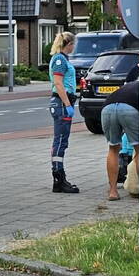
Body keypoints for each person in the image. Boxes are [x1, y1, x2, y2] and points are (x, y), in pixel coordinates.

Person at [48, 31, 79, 193]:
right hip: (61, 103)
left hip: (62, 102)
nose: (75, 47)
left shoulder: (61, 59)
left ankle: (59, 178)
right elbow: (58, 83)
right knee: (60, 142)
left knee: (60, 141)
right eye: (74, 44)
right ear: (69, 44)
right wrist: (67, 104)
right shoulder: (60, 59)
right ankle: (59, 179)